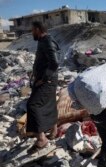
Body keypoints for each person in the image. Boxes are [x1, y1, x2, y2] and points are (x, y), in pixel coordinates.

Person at [26, 21, 59, 153]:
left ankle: (41, 139)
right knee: (49, 103)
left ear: (38, 29)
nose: (31, 32)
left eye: (33, 30)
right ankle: (54, 130)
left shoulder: (47, 41)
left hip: (47, 81)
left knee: (33, 105)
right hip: (45, 80)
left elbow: (55, 63)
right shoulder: (43, 40)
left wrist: (44, 78)